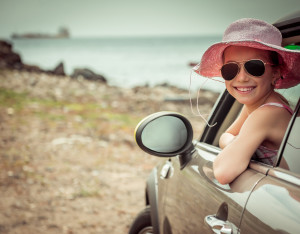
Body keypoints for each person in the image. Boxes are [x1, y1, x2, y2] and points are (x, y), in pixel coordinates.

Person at [192, 18, 300, 185]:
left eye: (255, 67)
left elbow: (223, 172)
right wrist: (238, 144)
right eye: (230, 69)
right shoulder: (258, 105)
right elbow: (226, 136)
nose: (241, 78)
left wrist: (239, 146)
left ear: (275, 73)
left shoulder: (268, 113)